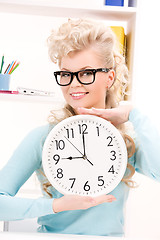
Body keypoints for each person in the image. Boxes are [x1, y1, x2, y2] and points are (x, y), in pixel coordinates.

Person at [0, 18, 160, 237]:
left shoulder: (126, 141)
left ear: (109, 77)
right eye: (66, 74)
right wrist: (56, 206)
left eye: (86, 73)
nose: (74, 83)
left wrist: (133, 114)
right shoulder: (44, 139)